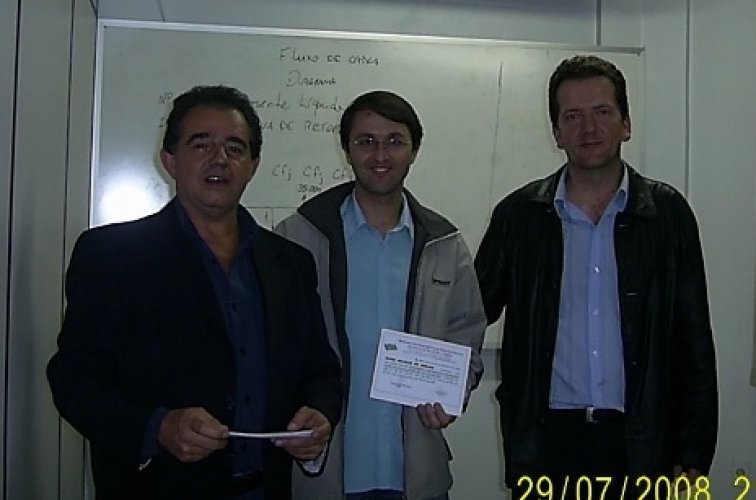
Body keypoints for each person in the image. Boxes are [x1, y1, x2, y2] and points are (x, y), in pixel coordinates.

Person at [47, 85, 342, 499]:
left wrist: (320, 412)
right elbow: (74, 378)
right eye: (201, 144)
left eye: (235, 148)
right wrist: (157, 427)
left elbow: (320, 369)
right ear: (170, 160)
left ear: (253, 165)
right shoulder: (112, 255)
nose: (219, 158)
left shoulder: (291, 263)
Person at [475, 55, 718, 498]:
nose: (589, 128)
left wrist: (694, 448)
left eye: (602, 112)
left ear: (626, 123)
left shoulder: (667, 214)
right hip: (547, 442)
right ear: (556, 132)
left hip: (641, 441)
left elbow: (694, 338)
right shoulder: (520, 216)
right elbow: (469, 315)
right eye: (572, 116)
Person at [275, 90, 486, 500]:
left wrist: (453, 390)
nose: (380, 155)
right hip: (325, 473)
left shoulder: (444, 244)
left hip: (416, 475)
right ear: (347, 150)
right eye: (366, 141)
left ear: (414, 151)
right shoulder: (299, 236)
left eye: (394, 141)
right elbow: (277, 344)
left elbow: (467, 336)